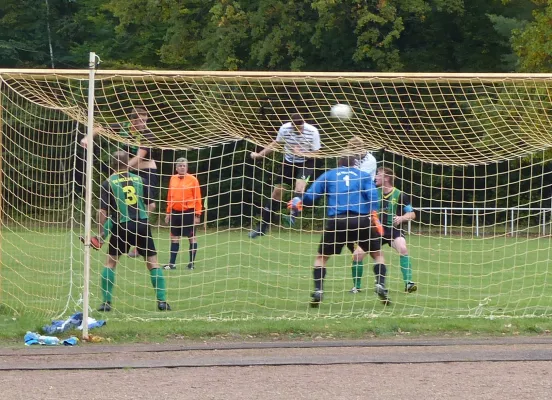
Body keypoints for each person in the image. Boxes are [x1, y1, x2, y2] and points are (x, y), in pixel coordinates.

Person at [288, 155, 390, 306]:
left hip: (337, 221)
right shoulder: (362, 175)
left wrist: (299, 202)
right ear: (355, 163)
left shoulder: (329, 174)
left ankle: (319, 290)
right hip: (360, 220)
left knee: (321, 257)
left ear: (338, 162)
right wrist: (374, 212)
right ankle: (380, 284)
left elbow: (311, 196)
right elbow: (373, 195)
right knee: (378, 255)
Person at [95, 151, 170, 312]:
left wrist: (101, 232)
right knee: (153, 264)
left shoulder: (109, 183)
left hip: (121, 226)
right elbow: (152, 205)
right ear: (127, 162)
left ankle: (106, 303)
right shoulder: (140, 179)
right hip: (142, 225)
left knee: (110, 263)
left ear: (112, 164)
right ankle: (162, 302)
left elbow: (102, 212)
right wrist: (143, 218)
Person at [80, 107, 159, 256]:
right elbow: (100, 128)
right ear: (132, 120)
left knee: (149, 206)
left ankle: (138, 241)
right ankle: (100, 238)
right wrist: (87, 138)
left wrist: (121, 170)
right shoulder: (123, 127)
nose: (143, 123)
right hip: (129, 171)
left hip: (147, 173)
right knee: (121, 210)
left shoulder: (147, 134)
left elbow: (139, 158)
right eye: (140, 120)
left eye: (145, 120)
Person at [249, 113, 321, 238]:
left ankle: (292, 217)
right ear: (292, 125)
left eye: (301, 127)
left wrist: (302, 153)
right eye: (296, 127)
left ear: (303, 123)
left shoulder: (313, 132)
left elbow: (317, 154)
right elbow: (276, 144)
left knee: (299, 187)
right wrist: (260, 155)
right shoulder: (285, 128)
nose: (299, 130)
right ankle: (262, 227)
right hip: (289, 162)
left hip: (307, 162)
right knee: (277, 192)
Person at [375, 166, 418, 293]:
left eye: (378, 174)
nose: (376, 176)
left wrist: (401, 218)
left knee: (403, 248)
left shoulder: (400, 195)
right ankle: (356, 287)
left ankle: (408, 283)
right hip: (376, 231)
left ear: (386, 178)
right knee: (358, 254)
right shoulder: (373, 192)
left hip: (393, 231)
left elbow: (412, 214)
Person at [347, 136, 379, 293]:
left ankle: (378, 281)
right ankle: (357, 285)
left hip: (365, 201)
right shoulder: (349, 157)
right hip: (351, 201)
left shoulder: (370, 160)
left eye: (355, 150)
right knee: (353, 247)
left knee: (364, 248)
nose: (353, 153)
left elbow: (357, 179)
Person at [163, 158, 203, 270]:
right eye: (180, 165)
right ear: (176, 168)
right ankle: (172, 264)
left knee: (191, 237)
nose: (182, 167)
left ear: (187, 167)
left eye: (184, 165)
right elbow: (170, 196)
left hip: (188, 212)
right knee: (174, 237)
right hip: (175, 212)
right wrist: (168, 212)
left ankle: (191, 264)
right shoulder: (173, 179)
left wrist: (197, 215)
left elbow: (198, 198)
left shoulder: (193, 180)